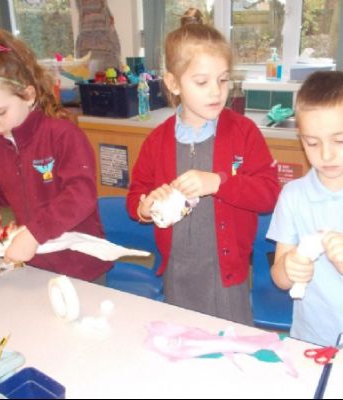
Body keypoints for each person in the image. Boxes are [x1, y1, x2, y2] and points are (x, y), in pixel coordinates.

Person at [126, 8, 280, 325]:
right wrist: (146, 206)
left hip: (228, 273)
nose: (216, 91)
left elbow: (268, 194)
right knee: (183, 339)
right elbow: (136, 196)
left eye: (223, 80)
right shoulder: (157, 141)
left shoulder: (243, 132)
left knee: (230, 341)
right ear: (174, 83)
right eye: (202, 81)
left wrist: (219, 183)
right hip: (178, 271)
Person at [0, 26, 112, 282]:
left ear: (28, 95)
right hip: (36, 265)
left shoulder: (63, 136)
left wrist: (34, 233)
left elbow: (80, 195)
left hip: (81, 266)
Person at [267, 71, 343, 346]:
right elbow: (280, 278)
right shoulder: (293, 196)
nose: (326, 154)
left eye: (339, 140)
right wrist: (289, 268)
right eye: (312, 142)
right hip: (309, 339)